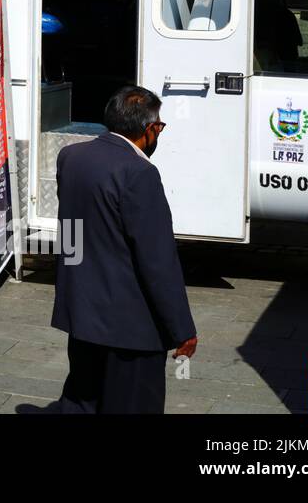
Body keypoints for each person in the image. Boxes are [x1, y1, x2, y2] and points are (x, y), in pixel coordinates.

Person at [51, 86, 198, 414]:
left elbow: (73, 230)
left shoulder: (71, 157)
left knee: (81, 398)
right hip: (131, 328)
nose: (158, 133)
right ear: (148, 130)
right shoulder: (140, 173)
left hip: (83, 313)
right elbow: (157, 260)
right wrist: (182, 329)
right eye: (158, 127)